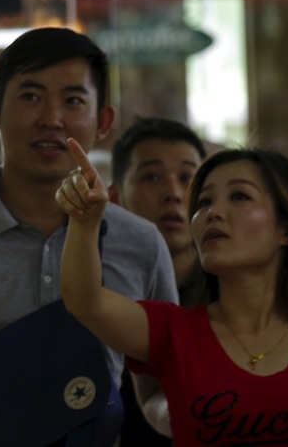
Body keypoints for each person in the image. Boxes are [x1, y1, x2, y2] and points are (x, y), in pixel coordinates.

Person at [0, 27, 179, 445]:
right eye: (30, 97)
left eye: (73, 101)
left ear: (104, 120)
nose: (52, 119)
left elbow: (168, 385)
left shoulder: (141, 243)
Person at [57, 140, 288, 446]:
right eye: (204, 202)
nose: (213, 212)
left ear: (286, 229)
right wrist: (85, 223)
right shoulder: (173, 331)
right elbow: (85, 301)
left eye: (240, 196)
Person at [109, 117, 208, 445]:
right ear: (115, 198)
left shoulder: (237, 295)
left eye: (188, 177)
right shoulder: (98, 298)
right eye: (151, 177)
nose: (174, 194)